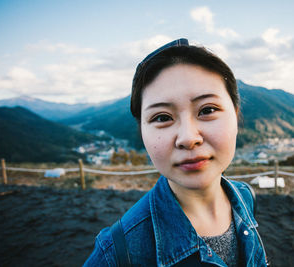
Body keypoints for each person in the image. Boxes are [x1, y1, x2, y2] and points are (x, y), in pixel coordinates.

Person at [84, 38, 268, 266]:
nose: (188, 138)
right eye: (162, 117)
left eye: (207, 110)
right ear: (141, 130)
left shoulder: (245, 196)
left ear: (236, 115)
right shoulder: (117, 253)